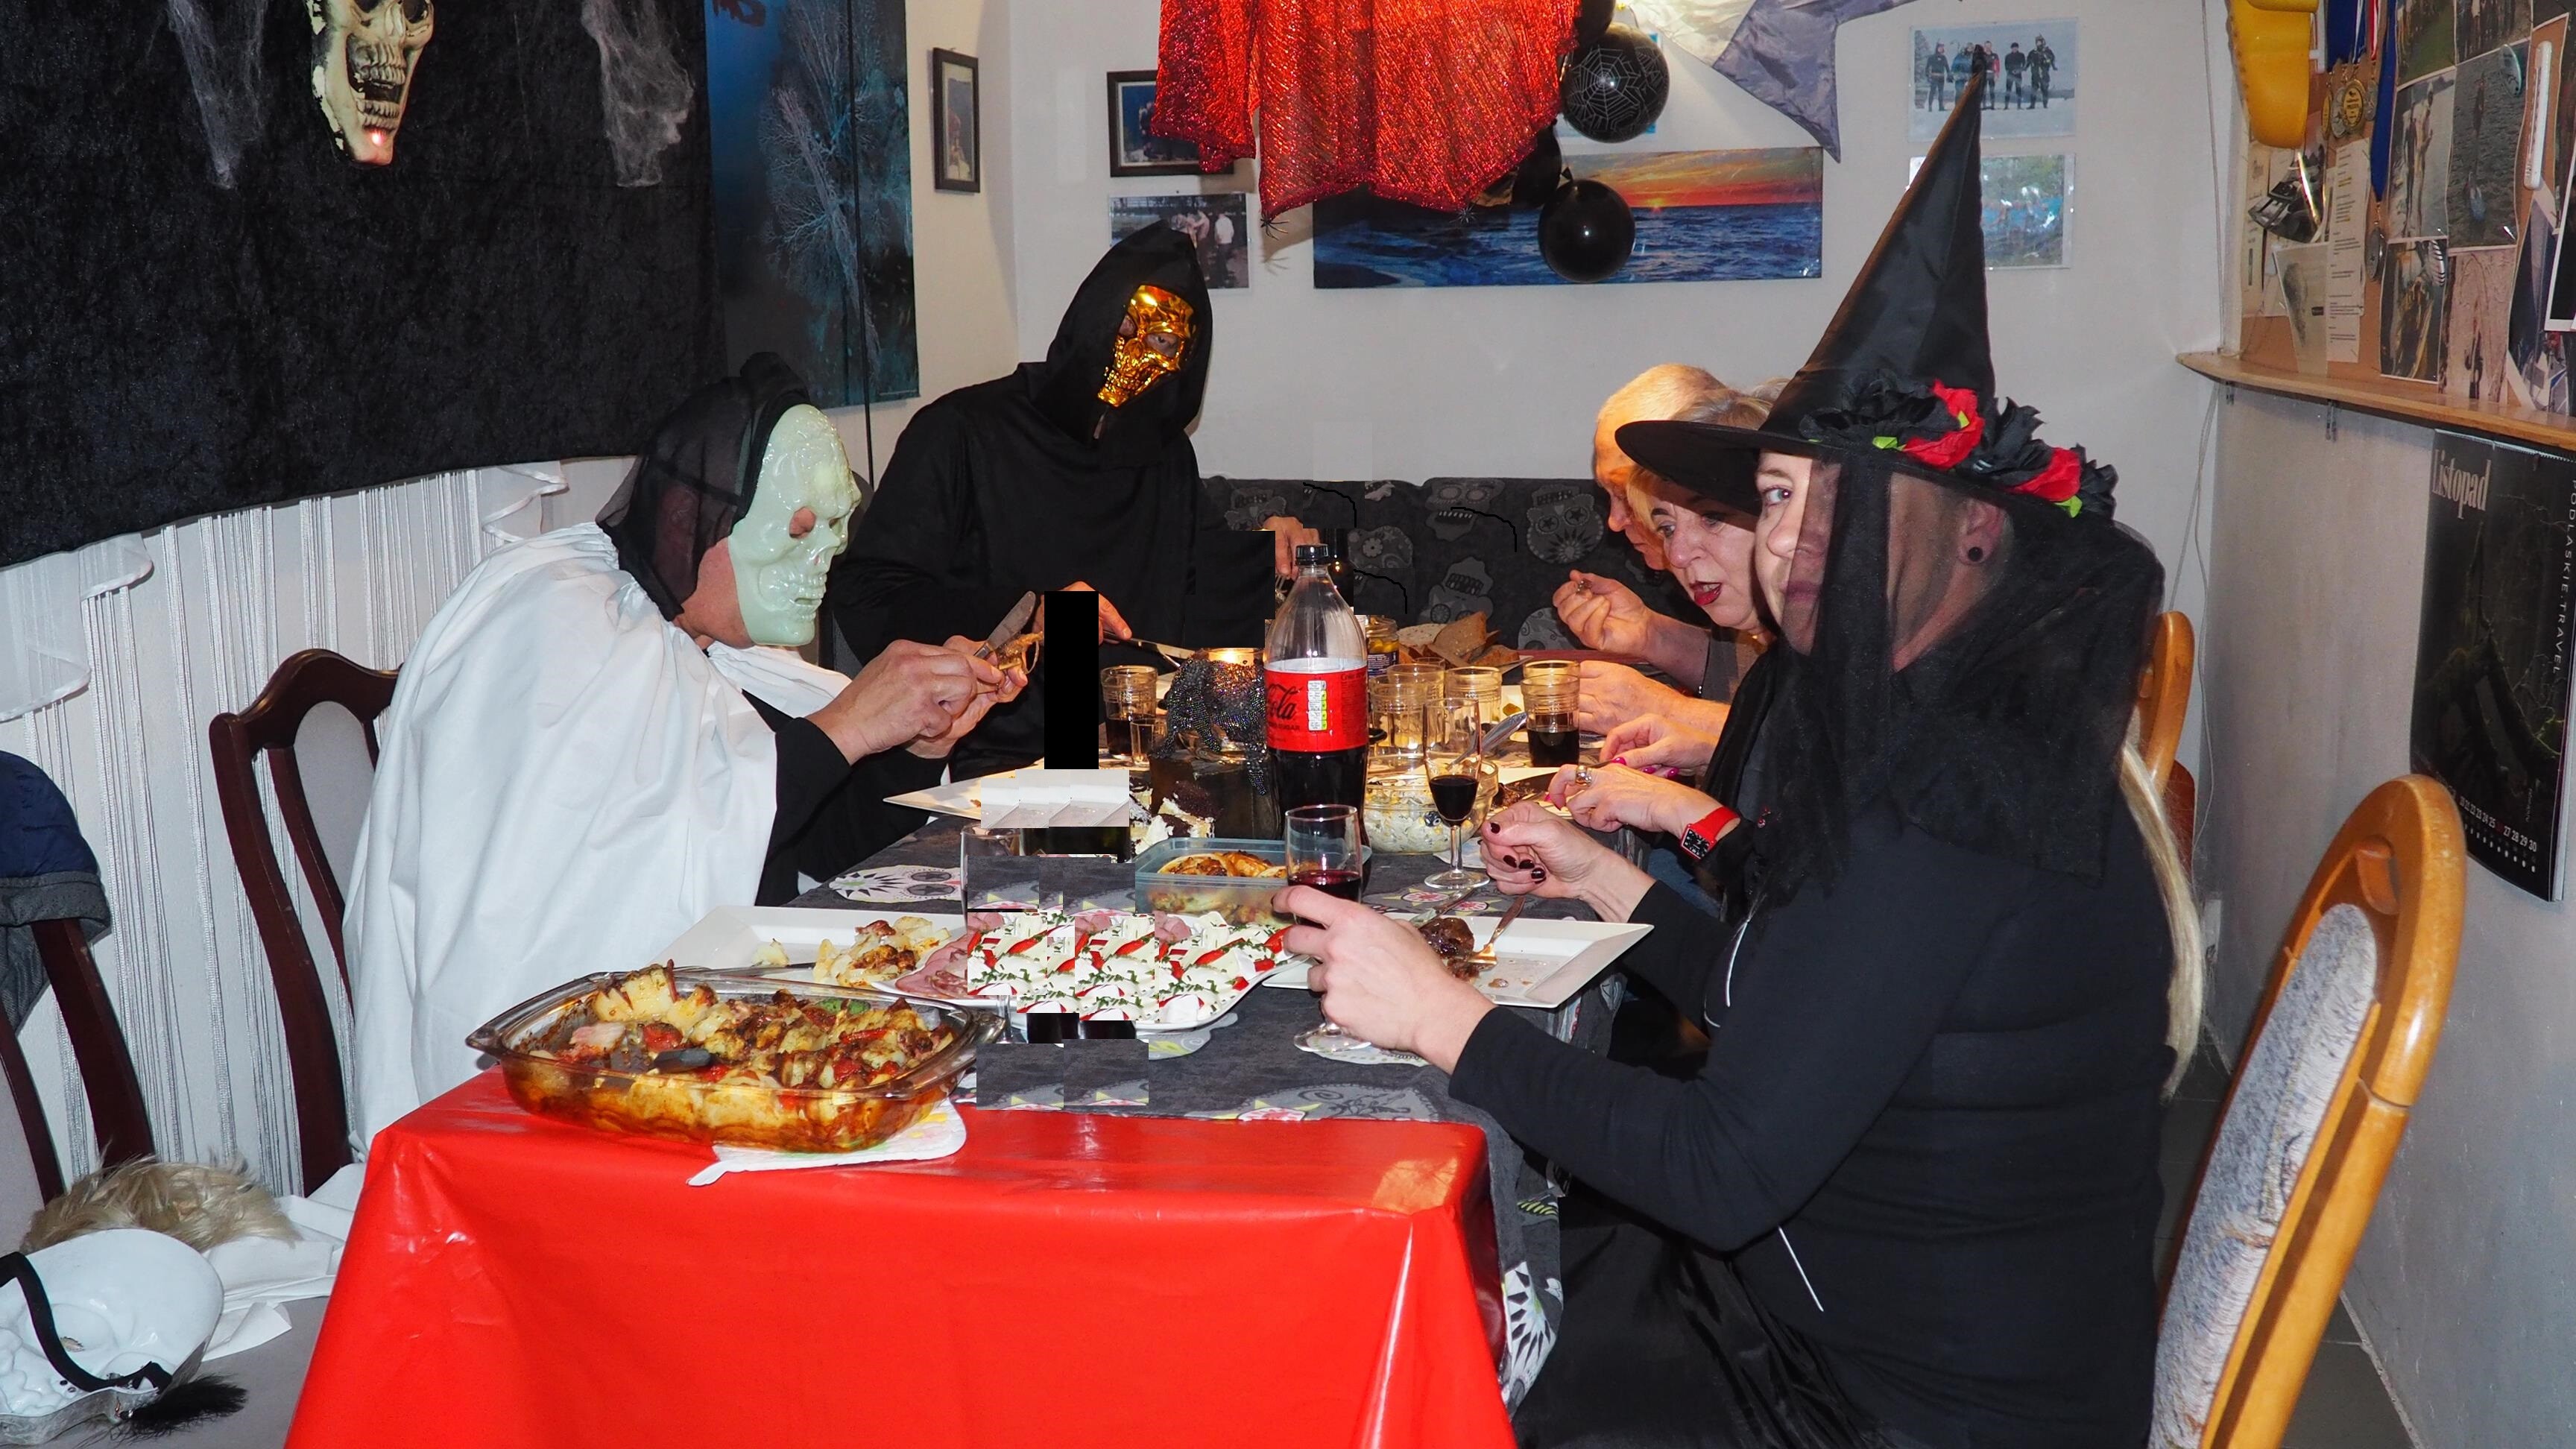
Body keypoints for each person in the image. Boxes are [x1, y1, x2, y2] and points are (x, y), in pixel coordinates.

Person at [1278, 77, 2201, 1448]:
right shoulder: (1939, 727)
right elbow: (1789, 995)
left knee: (1420, 1352)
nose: (1787, 545)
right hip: (1843, 1311)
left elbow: (1719, 1169)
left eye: (1846, 506)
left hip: (1891, 1404)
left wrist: (1441, 1017)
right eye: (1776, 497)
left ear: (1967, 535)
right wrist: (1612, 882)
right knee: (1487, 1275)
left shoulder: (1952, 795)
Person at [344, 356, 1020, 1146]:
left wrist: (915, 742)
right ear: (691, 519)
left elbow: (806, 847)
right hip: (553, 1091)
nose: (824, 561)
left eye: (837, 530)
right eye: (800, 530)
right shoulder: (555, 614)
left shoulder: (706, 640)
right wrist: (846, 726)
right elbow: (596, 889)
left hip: (725, 1029)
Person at [825, 227, 1301, 795]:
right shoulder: (961, 432)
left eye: (1162, 342)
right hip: (988, 753)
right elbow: (867, 591)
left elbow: (1195, 579)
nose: (1133, 354)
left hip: (1140, 750)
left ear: (1185, 360)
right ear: (1091, 319)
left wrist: (1272, 551)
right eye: (1123, 328)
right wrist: (1027, 614)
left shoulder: (1164, 453)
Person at [2027, 35, 2056, 108]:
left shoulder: (2047, 51)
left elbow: (2052, 59)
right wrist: (2024, 68)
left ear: (2043, 42)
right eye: (2037, 42)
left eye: (2040, 42)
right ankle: (2032, 105)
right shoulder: (2033, 52)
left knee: (2044, 89)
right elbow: (2028, 61)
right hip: (2035, 74)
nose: (2039, 44)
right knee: (2034, 89)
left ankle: (2045, 105)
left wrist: (2051, 65)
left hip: (2044, 73)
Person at [1923, 42, 1948, 109]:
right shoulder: (1932, 57)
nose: (1941, 49)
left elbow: (1947, 67)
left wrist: (1949, 74)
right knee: (1932, 91)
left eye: (1942, 48)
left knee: (1941, 92)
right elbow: (1927, 67)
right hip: (1934, 77)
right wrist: (1927, 76)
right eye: (1940, 48)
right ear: (1937, 48)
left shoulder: (1943, 57)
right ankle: (1930, 106)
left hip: (1941, 77)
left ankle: (1941, 106)